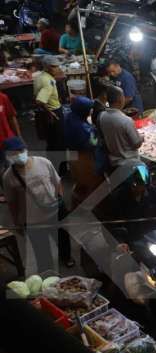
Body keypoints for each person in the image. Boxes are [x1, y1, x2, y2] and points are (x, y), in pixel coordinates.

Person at [2, 137, 73, 272]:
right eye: (13, 153)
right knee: (41, 250)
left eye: (20, 150)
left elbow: (57, 183)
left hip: (55, 212)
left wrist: (60, 202)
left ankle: (67, 257)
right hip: (33, 220)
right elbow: (12, 202)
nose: (18, 154)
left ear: (26, 149)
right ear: (7, 156)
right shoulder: (8, 177)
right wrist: (17, 222)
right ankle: (48, 271)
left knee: (62, 238)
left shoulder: (43, 162)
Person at [63, 96, 103, 207]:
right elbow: (94, 143)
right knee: (90, 181)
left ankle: (75, 200)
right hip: (83, 157)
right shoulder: (83, 129)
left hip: (71, 153)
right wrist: (96, 131)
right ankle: (89, 206)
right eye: (89, 108)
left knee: (78, 179)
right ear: (83, 110)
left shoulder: (69, 116)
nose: (91, 110)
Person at [98, 86, 143, 168]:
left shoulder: (101, 116)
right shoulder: (126, 120)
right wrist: (141, 138)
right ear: (120, 100)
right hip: (131, 163)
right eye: (123, 96)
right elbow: (137, 143)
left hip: (113, 161)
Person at [34, 56, 64, 155]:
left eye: (57, 66)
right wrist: (51, 113)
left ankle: (51, 163)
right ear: (47, 67)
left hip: (45, 112)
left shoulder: (40, 76)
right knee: (58, 142)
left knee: (51, 141)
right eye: (54, 67)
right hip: (53, 112)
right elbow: (40, 100)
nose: (57, 69)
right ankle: (60, 168)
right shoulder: (48, 81)